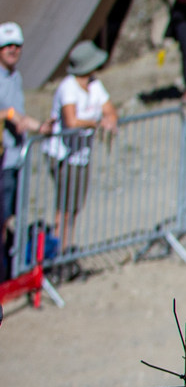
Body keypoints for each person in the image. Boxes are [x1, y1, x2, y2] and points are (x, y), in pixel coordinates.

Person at [43, 42, 116, 255]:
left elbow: (109, 109)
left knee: (73, 207)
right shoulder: (68, 87)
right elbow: (71, 121)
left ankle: (65, 248)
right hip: (64, 155)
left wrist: (110, 119)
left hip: (81, 155)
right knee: (63, 208)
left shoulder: (94, 85)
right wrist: (97, 123)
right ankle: (57, 252)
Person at [0, 23, 47, 272]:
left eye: (16, 45)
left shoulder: (15, 77)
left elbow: (20, 116)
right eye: (6, 46)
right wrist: (7, 114)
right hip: (3, 161)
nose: (12, 50)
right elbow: (11, 113)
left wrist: (42, 127)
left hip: (17, 157)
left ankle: (10, 271)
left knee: (13, 218)